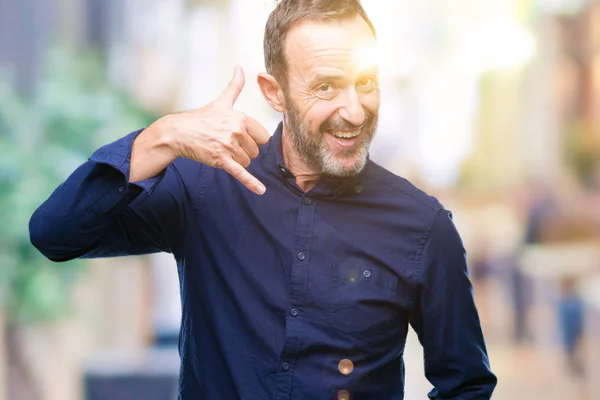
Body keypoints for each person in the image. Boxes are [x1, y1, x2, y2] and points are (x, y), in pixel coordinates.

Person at [29, 0, 497, 398]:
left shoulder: (422, 225)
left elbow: (466, 385)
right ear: (275, 92)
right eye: (326, 87)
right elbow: (54, 233)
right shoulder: (204, 186)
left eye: (366, 82)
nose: (354, 109)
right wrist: (162, 135)